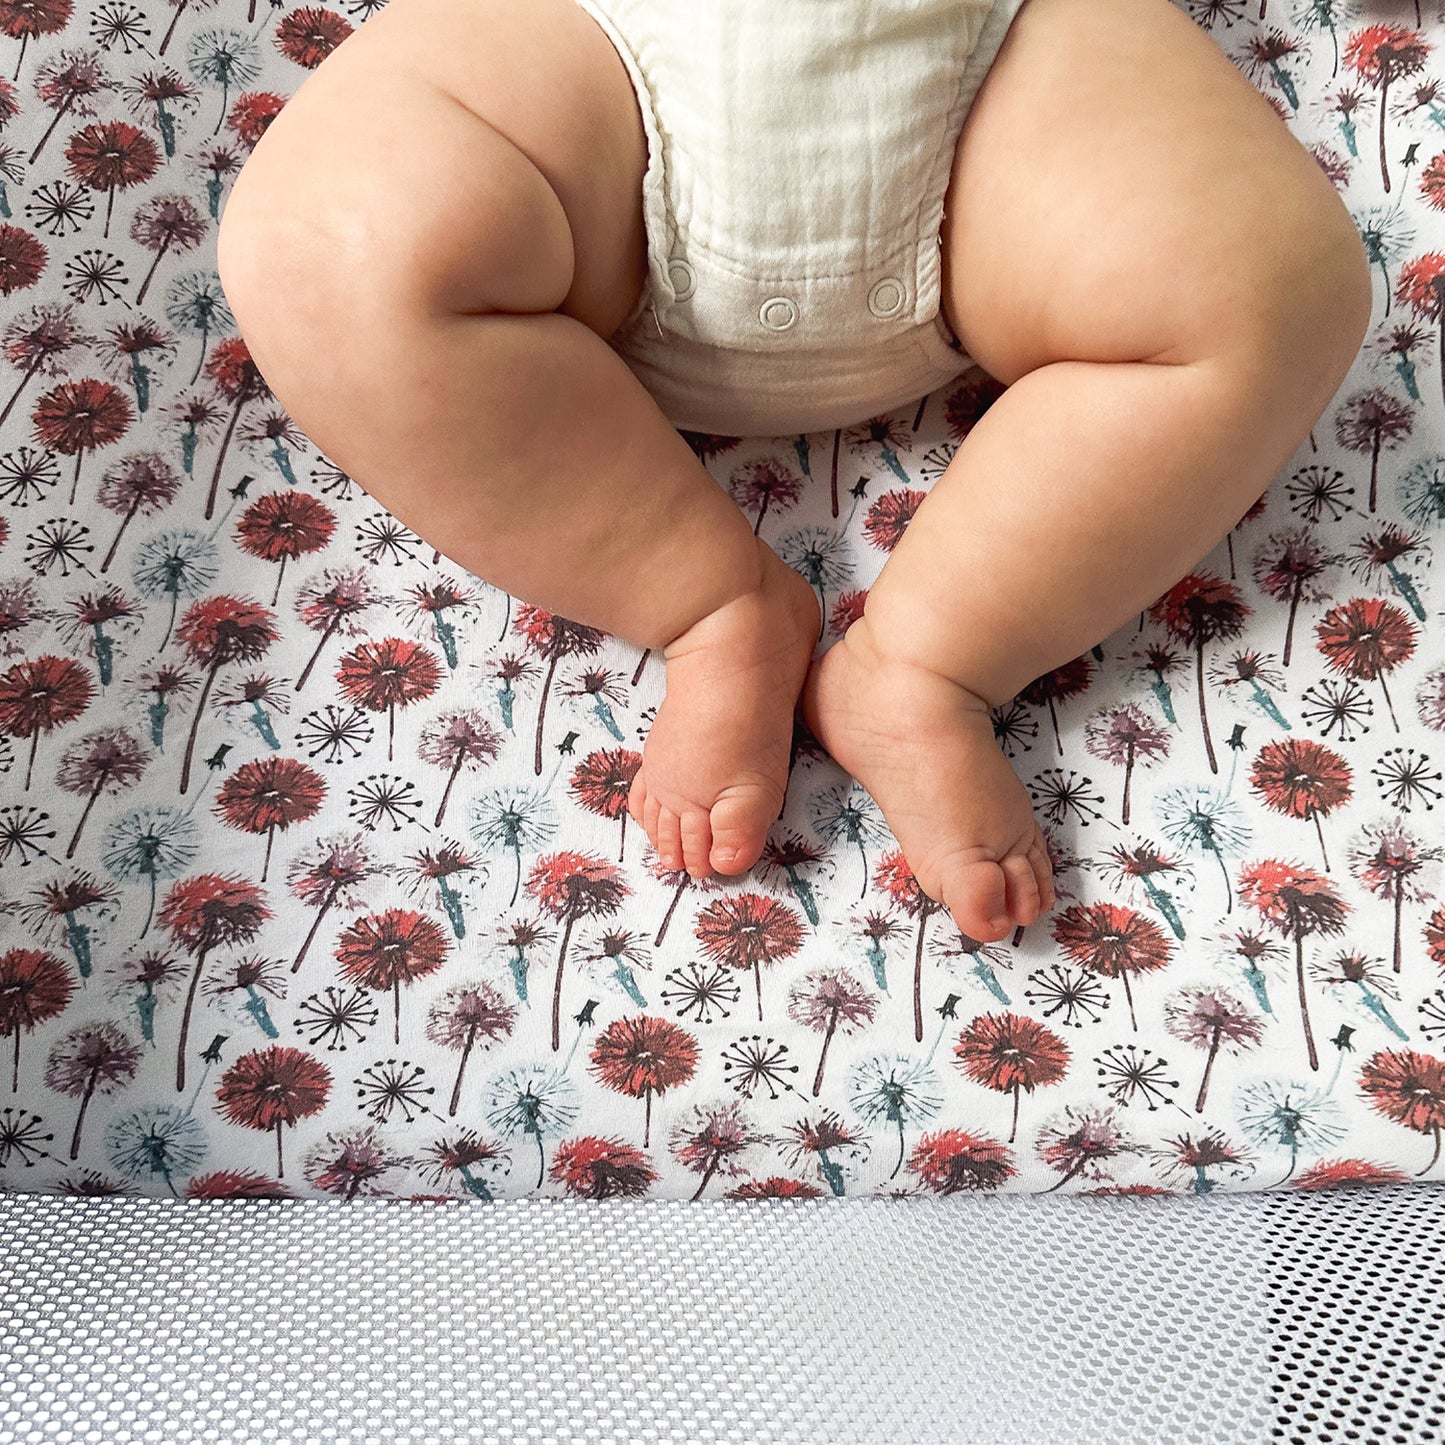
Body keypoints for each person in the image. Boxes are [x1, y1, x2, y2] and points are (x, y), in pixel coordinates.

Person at [216, 0, 1372, 944]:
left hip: (1006, 62)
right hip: (583, 60)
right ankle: (709, 604)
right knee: (330, 247)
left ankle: (926, 662)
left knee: (1267, 290)